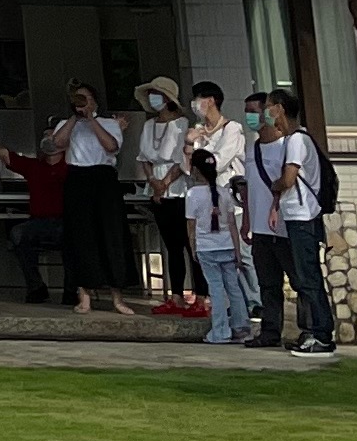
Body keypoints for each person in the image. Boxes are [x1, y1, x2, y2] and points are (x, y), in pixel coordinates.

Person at [248, 89, 335, 357]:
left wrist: (275, 188)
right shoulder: (291, 140)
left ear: (280, 109)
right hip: (294, 216)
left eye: (270, 107)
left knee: (307, 278)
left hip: (302, 217)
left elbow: (288, 179)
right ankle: (316, 333)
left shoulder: (297, 140)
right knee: (304, 277)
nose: (266, 113)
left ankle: (321, 334)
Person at [36, 83, 136, 314]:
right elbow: (58, 144)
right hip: (77, 178)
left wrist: (91, 119)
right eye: (77, 99)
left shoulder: (109, 123)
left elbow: (111, 146)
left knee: (111, 235)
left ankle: (117, 296)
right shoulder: (66, 124)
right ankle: (84, 294)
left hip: (103, 178)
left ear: (95, 100)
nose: (81, 102)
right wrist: (74, 118)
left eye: (86, 98)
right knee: (81, 236)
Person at [178, 101, 253, 344]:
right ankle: (241, 327)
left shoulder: (192, 195)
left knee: (217, 290)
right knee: (234, 288)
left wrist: (193, 249)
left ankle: (220, 331)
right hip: (227, 246)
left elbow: (191, 227)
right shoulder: (223, 193)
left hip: (207, 247)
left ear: (196, 171)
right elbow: (231, 224)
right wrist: (237, 250)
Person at [131, 78, 195, 310]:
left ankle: (200, 294)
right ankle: (176, 293)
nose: (152, 99)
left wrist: (165, 183)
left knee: (190, 243)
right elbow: (144, 158)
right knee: (172, 244)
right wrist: (153, 182)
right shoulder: (149, 126)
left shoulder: (182, 124)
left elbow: (182, 158)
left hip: (178, 187)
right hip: (156, 187)